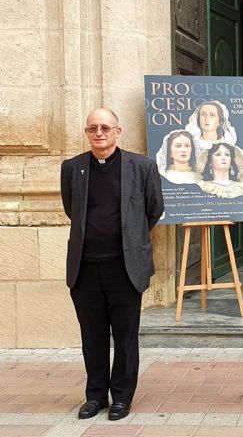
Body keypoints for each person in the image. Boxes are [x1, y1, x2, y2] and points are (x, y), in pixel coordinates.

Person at [60, 108, 164, 421]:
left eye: (105, 127)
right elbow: (71, 209)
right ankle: (95, 396)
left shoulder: (142, 167)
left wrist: (131, 238)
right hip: (85, 267)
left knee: (125, 335)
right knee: (91, 335)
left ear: (118, 132)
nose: (99, 133)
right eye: (93, 128)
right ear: (86, 132)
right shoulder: (72, 168)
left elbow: (153, 209)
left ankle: (121, 396)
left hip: (124, 267)